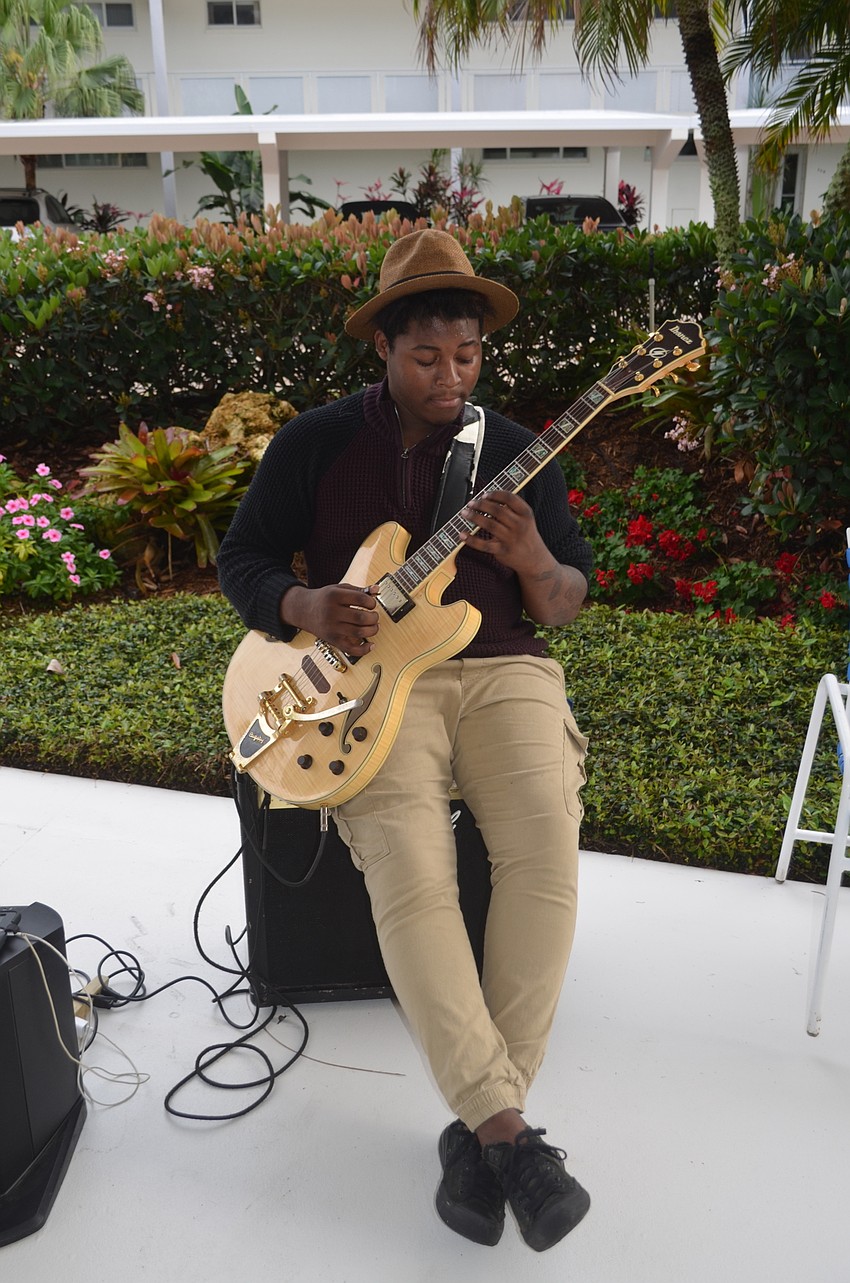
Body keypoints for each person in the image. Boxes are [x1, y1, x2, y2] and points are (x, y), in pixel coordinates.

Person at [217, 228, 593, 1253]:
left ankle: (484, 1128)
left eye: (466, 355)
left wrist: (527, 558)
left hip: (504, 665)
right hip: (374, 688)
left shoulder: (519, 450)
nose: (450, 374)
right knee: (413, 876)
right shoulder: (316, 442)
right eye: (427, 355)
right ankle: (513, 1133)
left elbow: (565, 602)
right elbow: (241, 557)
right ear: (383, 347)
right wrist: (303, 597)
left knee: (544, 859)